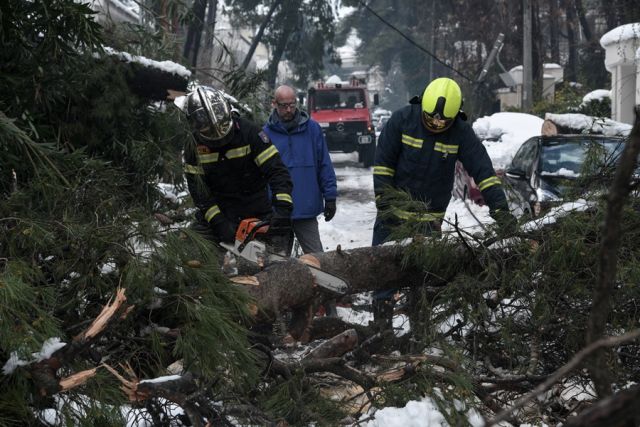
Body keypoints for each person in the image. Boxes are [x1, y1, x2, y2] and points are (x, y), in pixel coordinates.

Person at [372, 77, 516, 324]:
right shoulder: (402, 121)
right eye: (431, 119)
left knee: (425, 282)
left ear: (454, 115)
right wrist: (385, 204)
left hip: (429, 222)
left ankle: (420, 333)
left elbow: (484, 172)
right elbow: (383, 167)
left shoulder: (460, 132)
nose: (437, 124)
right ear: (423, 107)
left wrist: (501, 211)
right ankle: (381, 329)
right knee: (384, 278)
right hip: (392, 218)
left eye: (443, 121)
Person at [177, 86, 293, 251]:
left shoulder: (251, 134)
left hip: (257, 212)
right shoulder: (193, 147)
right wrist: (219, 223)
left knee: (276, 257)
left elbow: (277, 172)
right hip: (219, 214)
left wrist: (282, 210)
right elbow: (200, 193)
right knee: (193, 252)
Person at [262, 85, 337, 255]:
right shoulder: (266, 134)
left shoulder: (312, 129)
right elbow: (261, 175)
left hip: (307, 208)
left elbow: (324, 164)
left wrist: (330, 196)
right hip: (278, 212)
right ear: (275, 104)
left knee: (317, 259)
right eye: (284, 105)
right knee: (277, 263)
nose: (289, 109)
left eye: (292, 104)